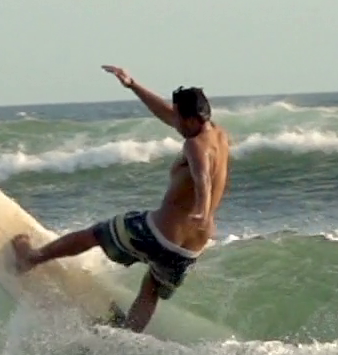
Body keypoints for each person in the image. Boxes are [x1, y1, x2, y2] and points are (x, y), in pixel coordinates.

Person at [12, 65, 230, 333]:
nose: (176, 122)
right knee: (151, 287)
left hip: (159, 234)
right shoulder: (218, 135)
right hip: (188, 250)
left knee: (96, 233)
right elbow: (166, 114)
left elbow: (202, 177)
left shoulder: (194, 144)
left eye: (179, 118)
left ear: (193, 120)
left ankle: (32, 258)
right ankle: (126, 337)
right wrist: (133, 85)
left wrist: (203, 210)